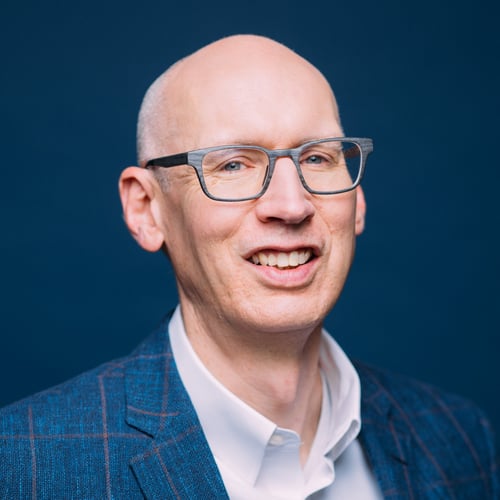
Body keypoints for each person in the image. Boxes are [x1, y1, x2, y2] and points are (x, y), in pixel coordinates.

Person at [0, 34, 497, 499]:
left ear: (358, 202)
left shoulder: (457, 438)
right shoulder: (25, 466)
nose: (291, 205)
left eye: (317, 158)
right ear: (147, 210)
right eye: (233, 164)